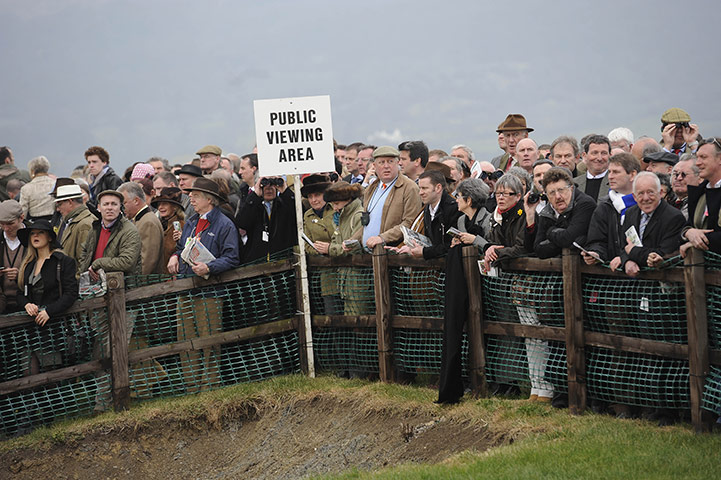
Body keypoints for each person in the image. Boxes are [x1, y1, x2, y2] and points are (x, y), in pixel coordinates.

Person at [167, 177, 240, 393]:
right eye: (191, 195)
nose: (191, 198)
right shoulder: (190, 222)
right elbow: (183, 247)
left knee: (209, 340)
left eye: (195, 195)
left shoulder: (225, 224)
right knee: (186, 339)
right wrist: (174, 255)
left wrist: (210, 268)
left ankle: (210, 387)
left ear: (209, 199)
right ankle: (191, 387)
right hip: (186, 289)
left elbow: (232, 257)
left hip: (210, 292)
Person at [437, 178, 491, 404]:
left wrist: (474, 241)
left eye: (459, 196)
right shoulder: (459, 220)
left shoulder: (489, 219)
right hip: (462, 283)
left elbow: (492, 244)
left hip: (487, 285)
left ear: (469, 200)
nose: (456, 200)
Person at [16, 220, 78, 374]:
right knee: (28, 375)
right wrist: (27, 304)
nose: (35, 236)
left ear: (50, 237)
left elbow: (71, 294)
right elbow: (20, 293)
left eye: (40, 232)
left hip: (53, 329)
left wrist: (49, 311)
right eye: (32, 233)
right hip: (29, 329)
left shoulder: (63, 261)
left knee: (51, 376)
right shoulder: (28, 264)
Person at [352, 146, 422, 250]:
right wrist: (353, 240)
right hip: (368, 255)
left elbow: (410, 223)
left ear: (398, 164)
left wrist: (382, 238)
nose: (386, 166)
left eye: (390, 162)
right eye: (381, 162)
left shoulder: (409, 188)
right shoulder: (372, 188)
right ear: (374, 166)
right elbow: (367, 223)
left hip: (391, 253)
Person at [620, 172, 686, 277]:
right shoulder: (630, 213)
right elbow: (623, 246)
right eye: (640, 193)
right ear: (634, 196)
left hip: (661, 284)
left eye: (650, 192)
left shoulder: (673, 217)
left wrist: (633, 252)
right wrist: (627, 261)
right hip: (632, 285)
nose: (646, 198)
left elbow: (663, 254)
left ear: (660, 193)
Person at [583, 153, 640, 269]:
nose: (610, 176)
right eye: (609, 172)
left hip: (646, 275)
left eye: (616, 172)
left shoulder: (646, 203)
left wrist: (626, 258)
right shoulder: (605, 206)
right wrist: (595, 253)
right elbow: (597, 240)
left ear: (632, 174)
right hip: (613, 276)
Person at [525, 167, 596, 259]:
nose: (558, 196)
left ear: (571, 188)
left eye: (561, 190)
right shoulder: (547, 211)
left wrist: (550, 232)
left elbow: (569, 239)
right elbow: (538, 250)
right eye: (552, 193)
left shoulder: (585, 204)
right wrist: (530, 217)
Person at [390, 169, 459, 259]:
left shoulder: (454, 209)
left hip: (449, 267)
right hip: (432, 268)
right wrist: (411, 248)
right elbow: (428, 241)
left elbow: (451, 245)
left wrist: (424, 252)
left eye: (425, 188)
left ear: (438, 188)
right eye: (420, 188)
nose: (420, 193)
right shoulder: (427, 209)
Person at [301, 174, 339, 314]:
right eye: (310, 197)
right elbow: (306, 243)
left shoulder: (336, 209)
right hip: (325, 273)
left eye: (317, 195)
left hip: (344, 265)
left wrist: (331, 247)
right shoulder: (307, 215)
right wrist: (318, 249)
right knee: (331, 312)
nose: (313, 200)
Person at [236, 174, 297, 263]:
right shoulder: (254, 205)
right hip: (257, 262)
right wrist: (255, 195)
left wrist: (286, 191)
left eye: (273, 186)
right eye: (265, 186)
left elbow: (299, 215)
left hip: (283, 262)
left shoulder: (284, 205)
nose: (269, 189)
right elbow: (242, 222)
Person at [680, 137, 721, 257]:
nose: (697, 163)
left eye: (703, 157)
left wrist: (697, 241)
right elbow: (687, 226)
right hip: (701, 270)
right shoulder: (700, 192)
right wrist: (689, 233)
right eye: (697, 157)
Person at [118, 182, 165, 275]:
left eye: (124, 203)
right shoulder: (141, 220)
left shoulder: (148, 222)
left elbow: (147, 261)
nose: (122, 208)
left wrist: (134, 283)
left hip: (147, 286)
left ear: (136, 201)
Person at [53, 184, 95, 271]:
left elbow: (84, 262)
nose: (58, 209)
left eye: (59, 204)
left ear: (70, 202)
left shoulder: (85, 225)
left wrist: (74, 281)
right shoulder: (69, 221)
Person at [151, 187, 185, 274]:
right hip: (158, 277)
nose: (160, 207)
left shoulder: (182, 226)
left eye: (165, 204)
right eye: (159, 204)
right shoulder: (158, 224)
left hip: (175, 277)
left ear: (174, 207)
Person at [0, 200, 25, 313]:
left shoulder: (35, 238)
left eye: (10, 223)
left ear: (21, 218)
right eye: (1, 223)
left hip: (28, 302)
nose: (6, 228)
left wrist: (21, 276)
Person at [573, 135, 611, 202]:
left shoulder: (617, 183)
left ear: (610, 155)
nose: (599, 158)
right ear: (584, 155)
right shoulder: (574, 184)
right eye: (594, 153)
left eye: (604, 153)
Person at [20, 156, 55, 222]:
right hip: (53, 222)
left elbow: (23, 211)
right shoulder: (55, 184)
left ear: (32, 171)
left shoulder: (26, 188)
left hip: (34, 224)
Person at [670, 154, 700, 219]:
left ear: (699, 177)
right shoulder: (666, 201)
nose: (678, 178)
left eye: (684, 174)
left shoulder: (700, 204)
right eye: (675, 174)